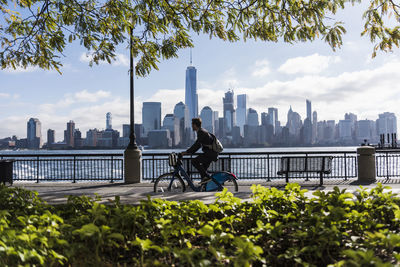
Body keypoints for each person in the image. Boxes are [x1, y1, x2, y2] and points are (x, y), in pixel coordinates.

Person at [180, 118, 218, 184]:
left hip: (210, 154)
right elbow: (198, 144)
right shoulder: (202, 131)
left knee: (194, 161)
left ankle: (207, 178)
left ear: (195, 125)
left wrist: (187, 152)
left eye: (192, 124)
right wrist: (189, 151)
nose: (191, 126)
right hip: (211, 154)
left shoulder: (201, 132)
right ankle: (206, 184)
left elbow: (197, 145)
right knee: (203, 170)